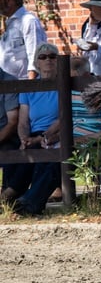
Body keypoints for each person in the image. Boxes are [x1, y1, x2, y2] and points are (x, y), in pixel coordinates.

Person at [3, 43, 61, 215]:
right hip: (34, 134)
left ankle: (17, 198)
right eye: (43, 57)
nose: (48, 60)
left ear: (58, 61)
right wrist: (24, 138)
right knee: (20, 151)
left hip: (57, 133)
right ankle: (13, 197)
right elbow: (23, 121)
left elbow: (65, 117)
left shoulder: (63, 84)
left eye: (52, 56)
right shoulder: (29, 88)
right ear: (37, 63)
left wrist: (43, 137)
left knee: (44, 154)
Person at [0, 0, 47, 80]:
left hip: (23, 86)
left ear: (8, 0)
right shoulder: (11, 23)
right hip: (9, 87)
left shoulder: (28, 21)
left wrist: (30, 88)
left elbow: (35, 55)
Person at [0, 66, 21, 200]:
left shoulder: (9, 81)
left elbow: (12, 122)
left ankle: (6, 198)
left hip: (6, 136)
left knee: (10, 151)